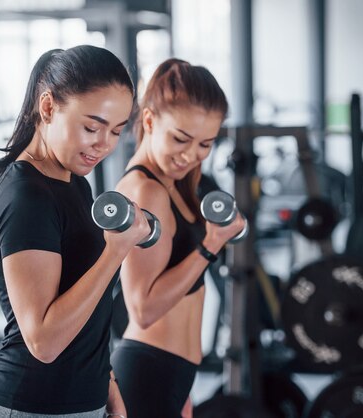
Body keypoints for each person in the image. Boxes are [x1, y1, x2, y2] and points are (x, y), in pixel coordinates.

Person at [0, 45, 150, 418]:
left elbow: (86, 305)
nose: (104, 145)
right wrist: (116, 251)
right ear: (48, 107)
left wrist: (107, 382)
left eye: (115, 132)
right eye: (91, 127)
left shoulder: (72, 181)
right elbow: (43, 341)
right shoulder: (26, 197)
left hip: (80, 401)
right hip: (29, 405)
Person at [110, 59, 246, 418]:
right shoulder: (145, 191)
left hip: (173, 374)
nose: (191, 155)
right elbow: (142, 309)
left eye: (206, 143)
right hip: (146, 373)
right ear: (150, 121)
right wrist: (211, 244)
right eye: (180, 139)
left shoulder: (177, 181)